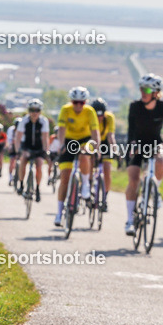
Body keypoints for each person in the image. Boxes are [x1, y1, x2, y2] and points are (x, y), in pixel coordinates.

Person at [124, 73, 163, 235]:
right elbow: (131, 129)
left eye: (146, 89)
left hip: (155, 142)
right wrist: (132, 145)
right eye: (141, 89)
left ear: (155, 92)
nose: (143, 92)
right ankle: (130, 220)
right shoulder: (135, 106)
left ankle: (155, 190)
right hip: (138, 144)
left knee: (161, 160)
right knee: (133, 180)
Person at [54, 87, 100, 227]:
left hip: (85, 140)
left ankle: (85, 184)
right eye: (75, 102)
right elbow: (61, 129)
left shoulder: (90, 111)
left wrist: (95, 147)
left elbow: (95, 132)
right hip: (68, 141)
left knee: (84, 154)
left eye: (81, 102)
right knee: (65, 178)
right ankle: (59, 212)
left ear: (85, 102)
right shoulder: (65, 110)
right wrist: (61, 145)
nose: (78, 105)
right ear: (71, 101)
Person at [15, 99, 49, 202]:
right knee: (23, 159)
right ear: (29, 111)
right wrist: (18, 150)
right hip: (27, 145)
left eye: (37, 110)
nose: (34, 113)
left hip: (38, 146)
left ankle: (37, 189)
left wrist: (45, 151)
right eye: (32, 110)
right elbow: (18, 137)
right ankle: (21, 183)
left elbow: (45, 138)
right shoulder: (24, 121)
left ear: (40, 111)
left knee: (39, 165)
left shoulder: (43, 121)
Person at [91, 98, 117, 212]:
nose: (98, 117)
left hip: (105, 143)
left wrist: (115, 150)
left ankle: (105, 197)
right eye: (95, 114)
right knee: (89, 162)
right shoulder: (89, 117)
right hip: (92, 141)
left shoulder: (109, 118)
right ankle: (88, 186)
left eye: (100, 114)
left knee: (107, 169)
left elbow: (111, 136)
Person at [6, 122, 20, 186]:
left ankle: (20, 176)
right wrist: (9, 147)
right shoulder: (11, 130)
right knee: (12, 161)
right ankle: (10, 176)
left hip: (20, 147)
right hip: (13, 146)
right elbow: (9, 140)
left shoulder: (23, 130)